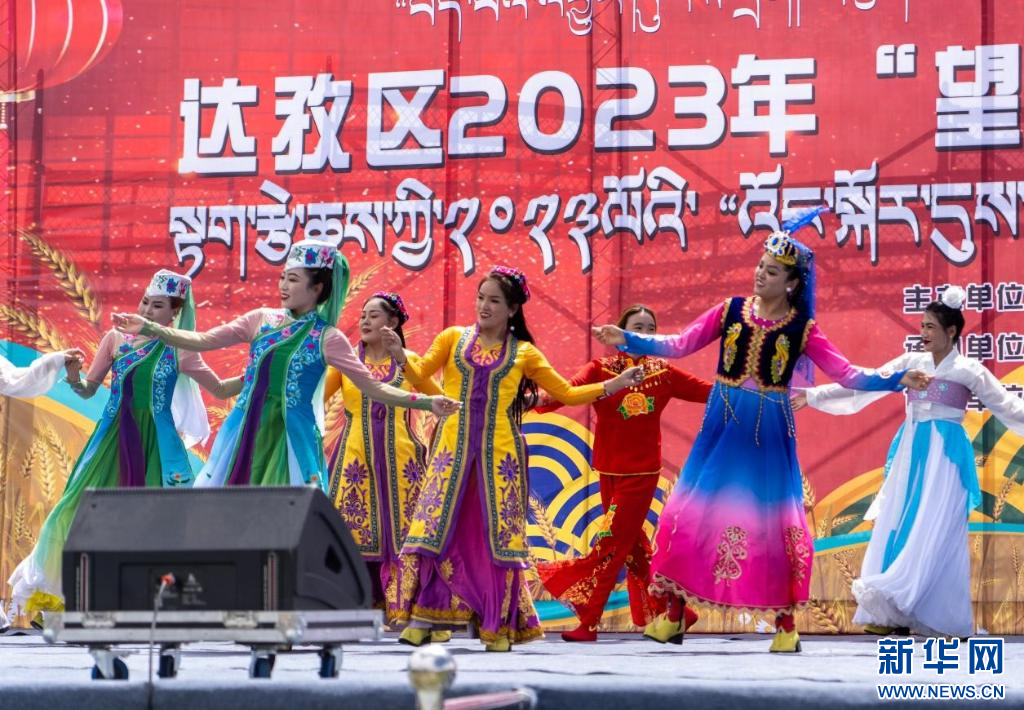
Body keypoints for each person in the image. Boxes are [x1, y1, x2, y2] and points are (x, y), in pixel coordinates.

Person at [592, 210, 930, 652]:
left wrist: (895, 379)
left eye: (770, 271)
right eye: (759, 266)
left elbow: (847, 374)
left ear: (791, 283)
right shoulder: (730, 310)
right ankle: (673, 615)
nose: (759, 275)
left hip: (767, 430)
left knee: (771, 525)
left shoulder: (802, 328)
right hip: (723, 422)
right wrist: (629, 339)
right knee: (690, 513)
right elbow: (680, 343)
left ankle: (786, 625)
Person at [392, 266, 645, 651]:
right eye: (481, 297)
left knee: (496, 542)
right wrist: (400, 356)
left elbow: (566, 393)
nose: (484, 306)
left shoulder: (523, 353)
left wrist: (614, 384)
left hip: (501, 460)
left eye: (494, 300)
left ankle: (498, 625)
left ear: (512, 309)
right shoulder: (452, 339)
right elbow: (422, 375)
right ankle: (425, 617)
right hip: (450, 454)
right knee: (437, 532)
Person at [112, 241, 460, 489]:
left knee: (287, 518)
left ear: (317, 288)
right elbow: (204, 340)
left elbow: (373, 387)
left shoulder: (328, 338)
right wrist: (151, 328)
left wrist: (427, 402)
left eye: (292, 279)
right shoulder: (260, 319)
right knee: (230, 513)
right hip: (245, 429)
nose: (283, 286)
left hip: (292, 438)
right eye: (282, 277)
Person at [793, 286, 1024, 639]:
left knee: (939, 529)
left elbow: (1007, 405)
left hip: (946, 458)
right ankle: (892, 613)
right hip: (912, 452)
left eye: (931, 327)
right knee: (900, 523)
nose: (924, 332)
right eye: (922, 326)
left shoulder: (968, 370)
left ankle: (939, 616)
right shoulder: (910, 363)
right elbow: (865, 383)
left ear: (951, 331)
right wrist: (814, 395)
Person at [8, 270, 241, 618]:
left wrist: (256, 373)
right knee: (74, 511)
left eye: (157, 305)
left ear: (175, 312)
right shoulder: (116, 339)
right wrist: (72, 374)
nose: (146, 310)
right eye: (145, 301)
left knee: (160, 520)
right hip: (111, 440)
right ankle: (60, 599)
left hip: (158, 446)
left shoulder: (180, 348)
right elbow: (87, 390)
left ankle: (147, 603)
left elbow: (220, 390)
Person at [534, 304, 712, 642]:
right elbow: (567, 392)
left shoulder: (663, 373)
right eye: (637, 327)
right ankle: (675, 609)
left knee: (610, 547)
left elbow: (709, 393)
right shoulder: (600, 370)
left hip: (641, 474)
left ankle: (589, 622)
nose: (643, 333)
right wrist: (532, 400)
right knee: (632, 549)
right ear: (620, 332)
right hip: (608, 471)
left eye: (649, 329)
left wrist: (750, 393)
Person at [324, 291, 442, 629]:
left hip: (402, 462)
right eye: (362, 315)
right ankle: (356, 606)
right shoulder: (346, 362)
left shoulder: (409, 361)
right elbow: (314, 399)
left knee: (405, 536)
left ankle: (405, 607)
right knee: (352, 533)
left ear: (392, 322)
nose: (364, 321)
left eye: (373, 315)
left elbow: (438, 397)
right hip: (355, 462)